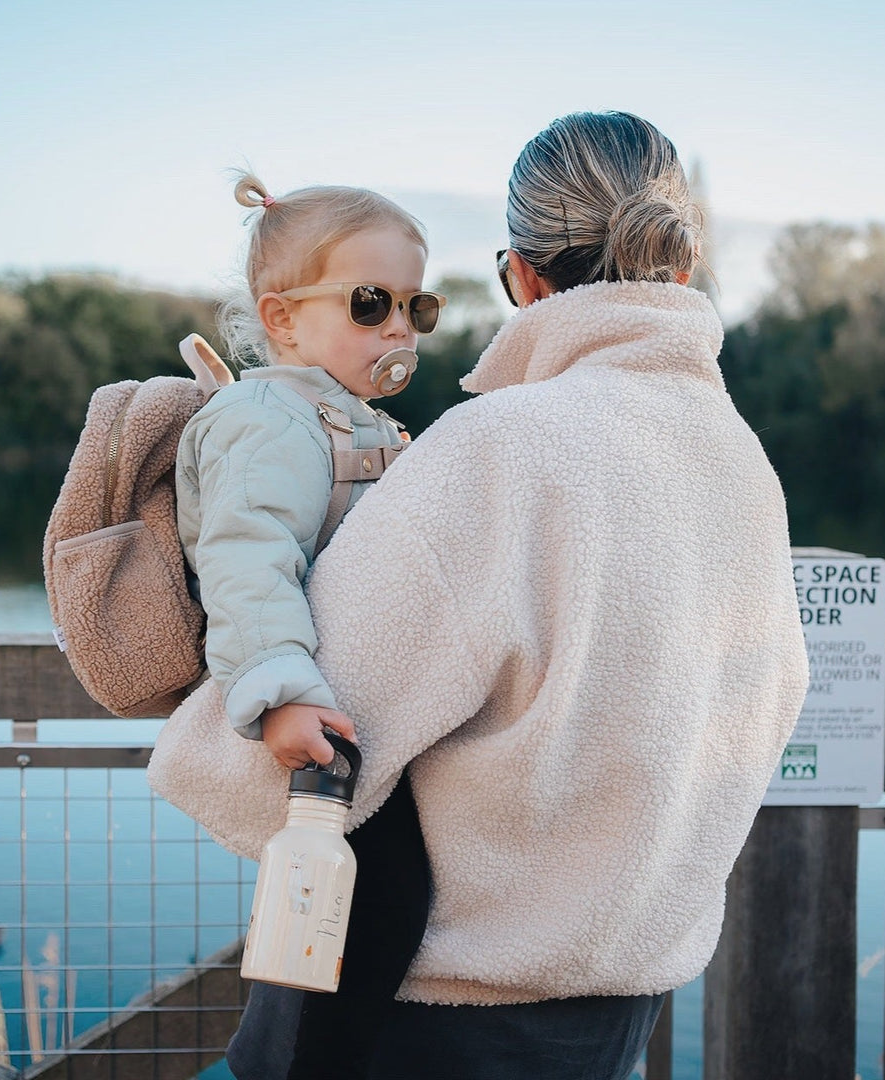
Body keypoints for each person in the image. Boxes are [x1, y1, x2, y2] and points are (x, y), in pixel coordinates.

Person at [151, 110, 809, 1080]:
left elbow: (298, 736)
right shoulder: (741, 462)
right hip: (623, 1010)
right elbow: (770, 698)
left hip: (436, 1025)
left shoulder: (498, 448)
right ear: (677, 264)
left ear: (523, 278)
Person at [170, 176, 440, 1076]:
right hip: (315, 717)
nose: (399, 327)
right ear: (281, 319)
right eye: (371, 304)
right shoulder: (266, 419)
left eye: (416, 305)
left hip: (362, 709)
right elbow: (247, 566)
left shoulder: (348, 418)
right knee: (366, 910)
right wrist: (283, 695)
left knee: (383, 910)